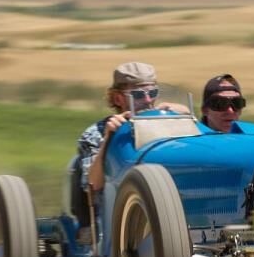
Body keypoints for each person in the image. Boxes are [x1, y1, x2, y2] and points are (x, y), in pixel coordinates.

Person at [76, 61, 187, 198]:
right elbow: (93, 186)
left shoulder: (168, 123)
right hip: (116, 211)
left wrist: (187, 119)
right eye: (138, 95)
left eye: (153, 93)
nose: (148, 100)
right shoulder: (94, 134)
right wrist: (108, 138)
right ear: (118, 99)